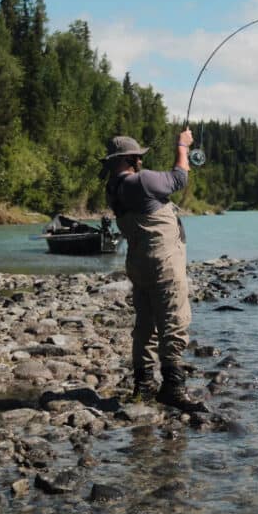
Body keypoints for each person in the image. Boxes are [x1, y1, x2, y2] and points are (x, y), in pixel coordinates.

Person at [100, 128, 208, 413]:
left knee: (145, 325)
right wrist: (182, 145)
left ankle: (143, 385)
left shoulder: (113, 188)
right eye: (137, 157)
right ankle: (172, 388)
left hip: (138, 263)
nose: (140, 161)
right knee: (174, 321)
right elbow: (179, 177)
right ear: (131, 159)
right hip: (163, 263)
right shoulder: (143, 182)